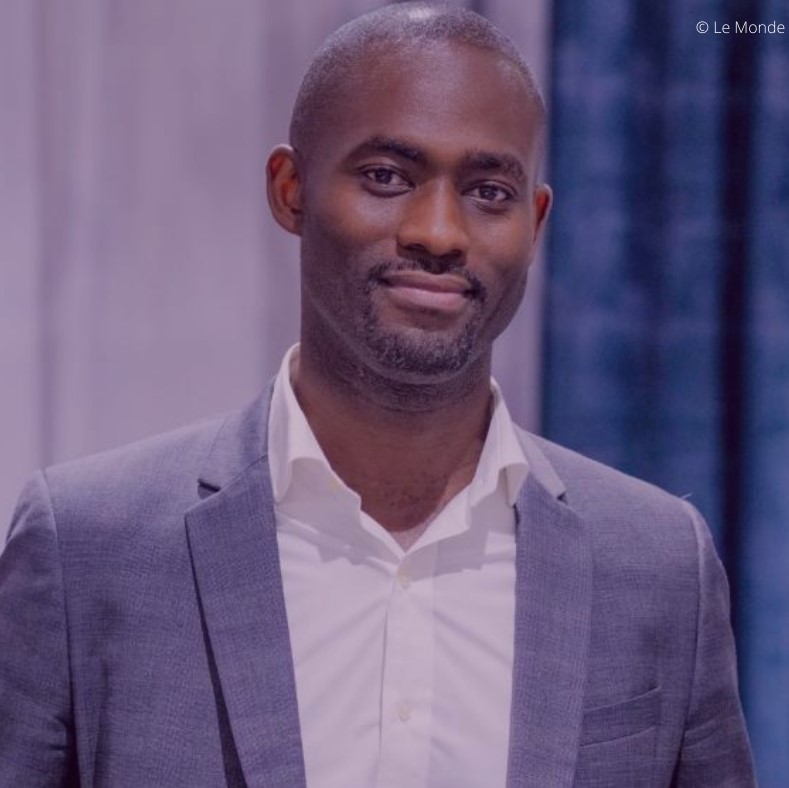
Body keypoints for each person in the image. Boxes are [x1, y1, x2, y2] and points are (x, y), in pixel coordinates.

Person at [0, 3, 755, 786]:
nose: (438, 231)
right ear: (291, 190)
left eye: (488, 191)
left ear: (535, 222)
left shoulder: (659, 566)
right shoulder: (87, 547)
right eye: (386, 177)